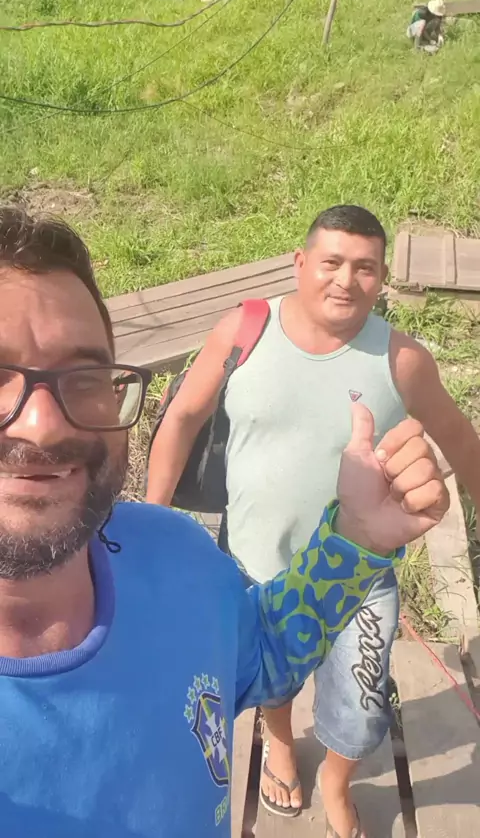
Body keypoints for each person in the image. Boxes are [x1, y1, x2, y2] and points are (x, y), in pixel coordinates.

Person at [0, 205, 449, 838]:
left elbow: (259, 652)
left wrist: (357, 541)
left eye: (84, 375)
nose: (44, 424)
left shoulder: (174, 552)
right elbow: (186, 416)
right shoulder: (246, 331)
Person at [147, 204, 480, 837]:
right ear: (300, 263)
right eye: (331, 262)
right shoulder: (243, 331)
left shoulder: (402, 360)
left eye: (365, 268)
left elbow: (461, 440)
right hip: (253, 557)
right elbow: (184, 418)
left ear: (382, 279)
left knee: (361, 701)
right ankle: (279, 744)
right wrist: (151, 523)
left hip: (360, 573)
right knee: (272, 677)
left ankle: (336, 779)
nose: (345, 280)